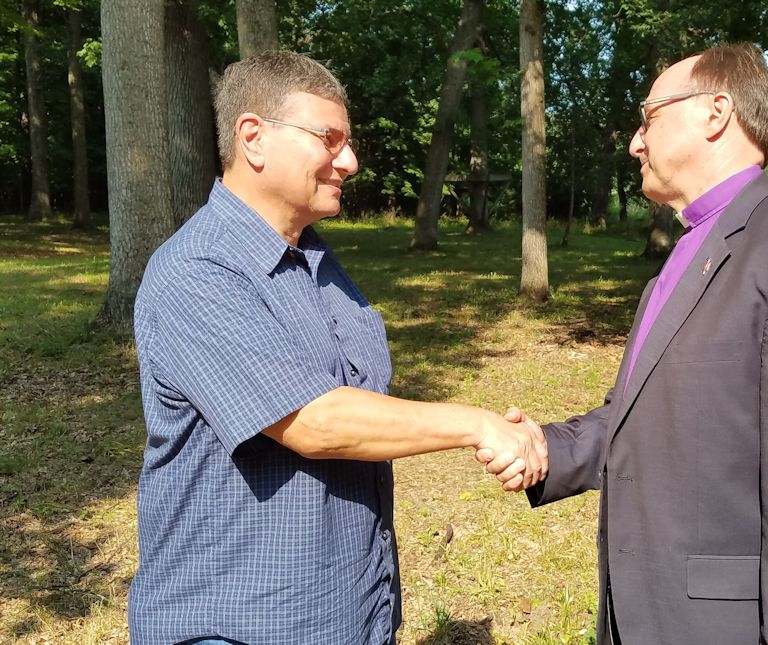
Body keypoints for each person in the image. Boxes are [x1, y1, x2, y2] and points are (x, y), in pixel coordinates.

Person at [128, 51, 545, 645]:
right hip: (241, 622)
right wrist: (478, 425)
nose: (349, 161)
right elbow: (314, 421)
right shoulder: (196, 272)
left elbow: (354, 395)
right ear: (254, 138)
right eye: (330, 139)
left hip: (345, 609)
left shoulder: (315, 257)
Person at [488, 43, 768, 643]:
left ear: (715, 112)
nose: (634, 141)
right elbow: (649, 419)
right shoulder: (688, 255)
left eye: (649, 117)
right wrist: (547, 448)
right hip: (645, 611)